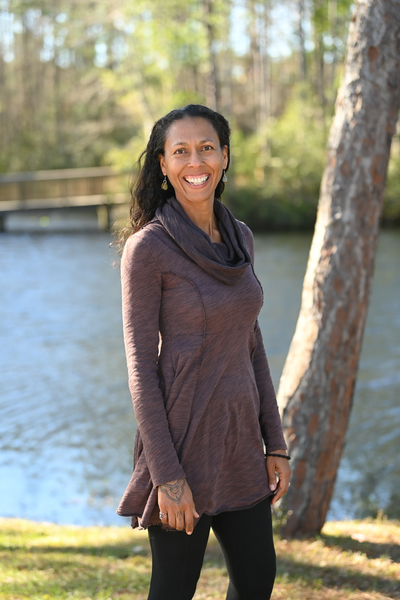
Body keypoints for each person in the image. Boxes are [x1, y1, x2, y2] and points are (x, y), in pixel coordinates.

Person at [117, 104, 291, 600]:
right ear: (164, 166)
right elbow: (140, 369)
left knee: (257, 580)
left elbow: (251, 343)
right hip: (180, 444)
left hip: (240, 444)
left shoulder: (242, 239)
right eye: (181, 151)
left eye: (207, 148)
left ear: (225, 157)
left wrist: (273, 442)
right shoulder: (148, 249)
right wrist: (167, 475)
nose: (197, 161)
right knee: (173, 590)